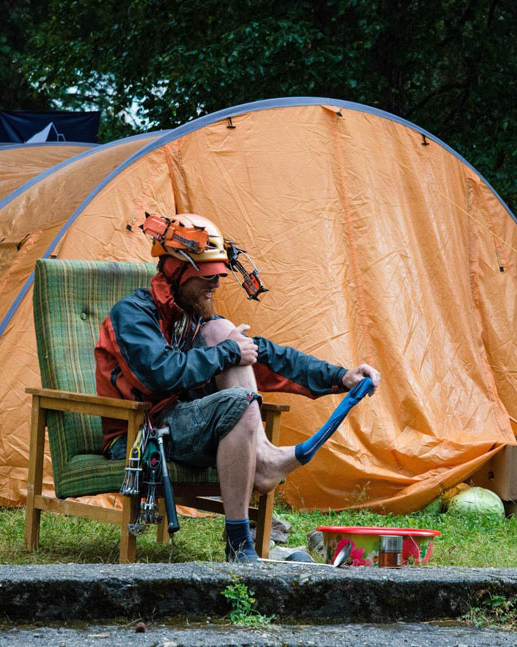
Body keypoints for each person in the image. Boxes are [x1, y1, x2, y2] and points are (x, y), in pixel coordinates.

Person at [95, 213, 380, 562]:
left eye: (221, 274)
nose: (218, 283)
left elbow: (268, 356)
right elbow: (159, 374)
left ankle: (260, 458)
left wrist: (340, 377)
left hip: (183, 423)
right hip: (141, 431)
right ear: (177, 271)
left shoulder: (192, 318)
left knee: (223, 332)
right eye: (209, 276)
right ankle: (240, 545)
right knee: (236, 388)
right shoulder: (132, 314)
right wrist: (229, 350)